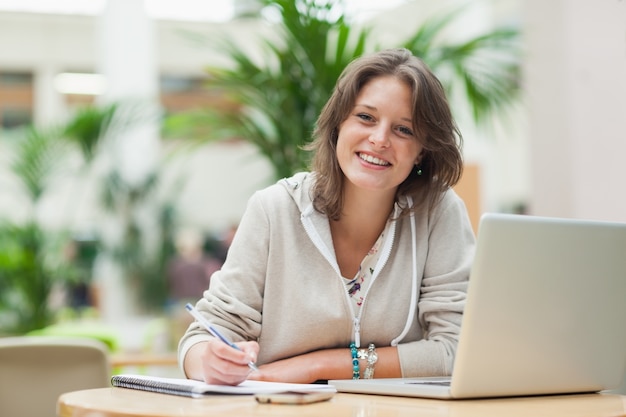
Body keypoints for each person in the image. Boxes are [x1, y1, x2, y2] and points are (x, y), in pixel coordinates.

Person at [179, 48, 476, 386]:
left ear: (422, 148)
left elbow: (454, 350)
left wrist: (319, 366)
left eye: (403, 130)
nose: (379, 139)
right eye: (365, 117)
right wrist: (209, 360)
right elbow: (201, 337)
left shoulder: (438, 212)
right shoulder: (274, 209)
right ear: (338, 124)